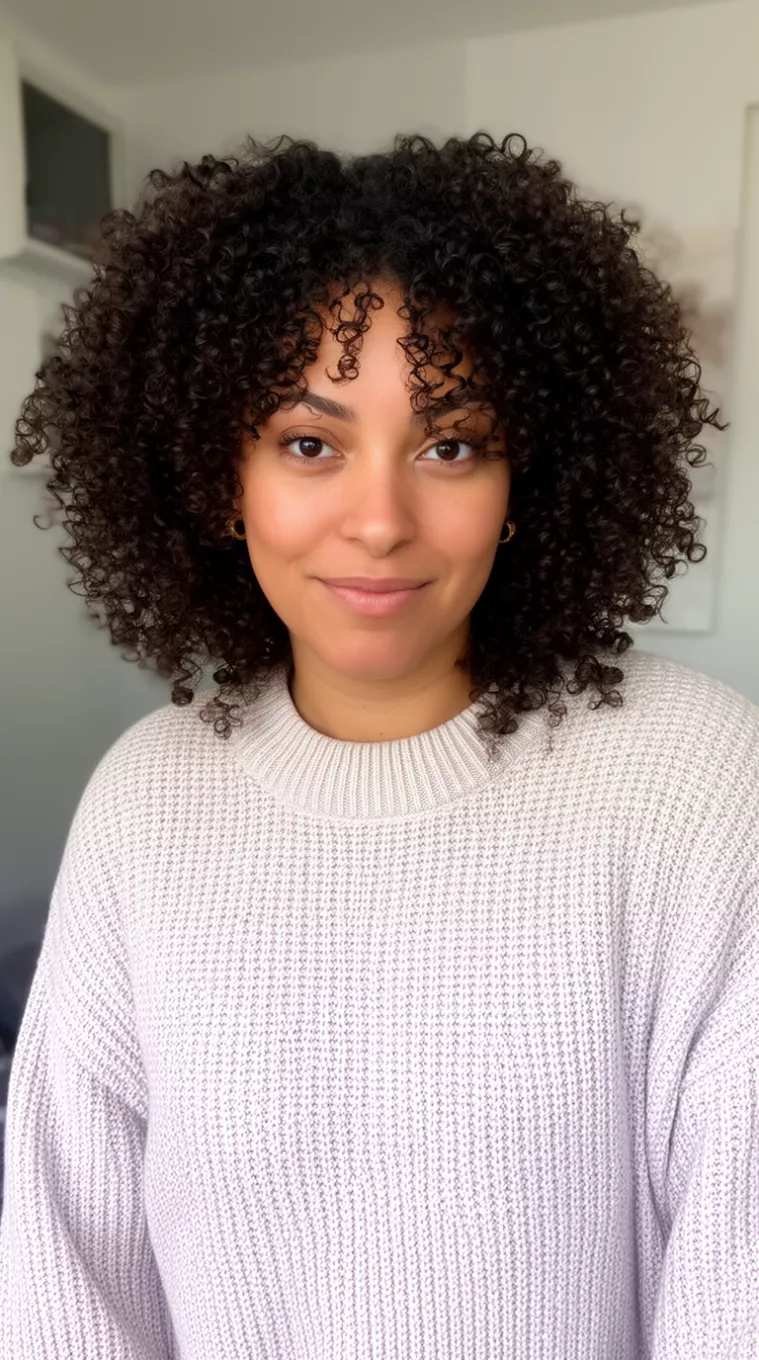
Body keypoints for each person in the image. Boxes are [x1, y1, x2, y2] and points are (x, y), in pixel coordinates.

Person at [0, 130, 756, 1359]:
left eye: (451, 443)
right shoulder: (146, 798)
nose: (380, 520)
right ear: (216, 474)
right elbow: (66, 1279)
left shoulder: (696, 778)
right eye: (310, 442)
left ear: (532, 480)